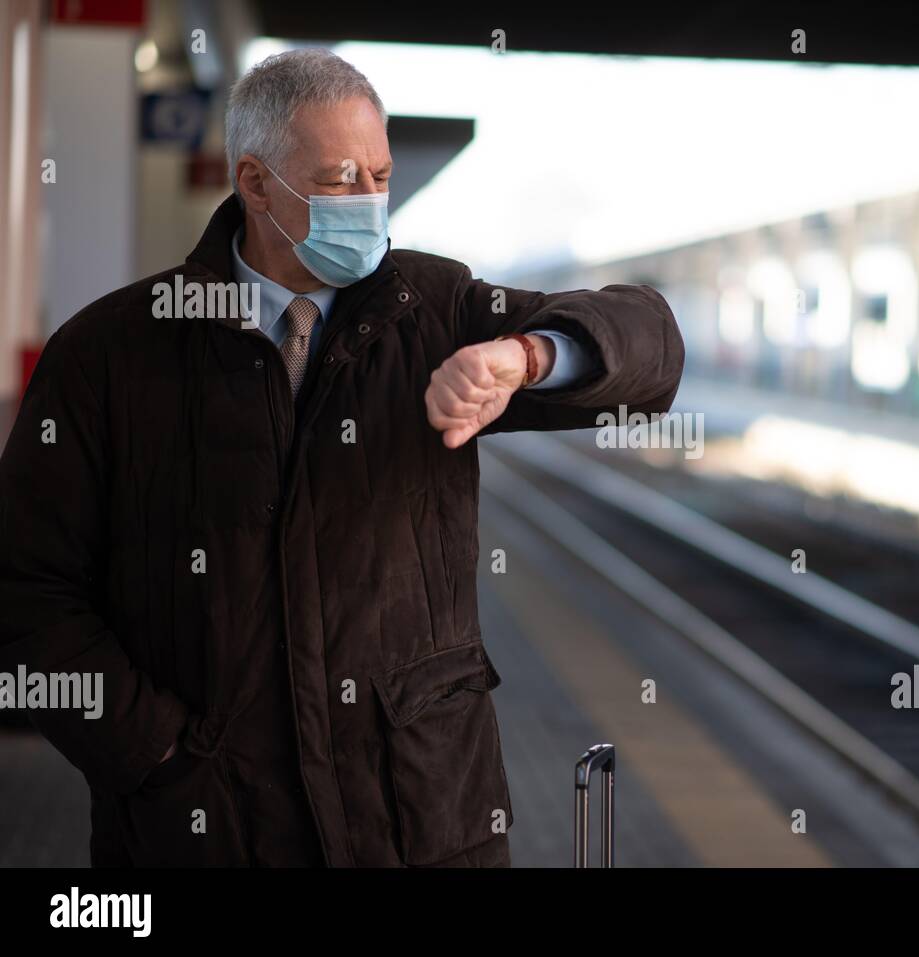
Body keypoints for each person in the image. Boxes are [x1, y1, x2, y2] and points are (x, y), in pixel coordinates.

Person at [0, 49, 684, 866]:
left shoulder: (434, 312)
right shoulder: (113, 353)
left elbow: (649, 342)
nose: (369, 200)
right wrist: (154, 753)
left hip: (418, 823)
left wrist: (526, 358)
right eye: (338, 179)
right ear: (254, 183)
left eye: (380, 174)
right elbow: (25, 590)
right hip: (201, 830)